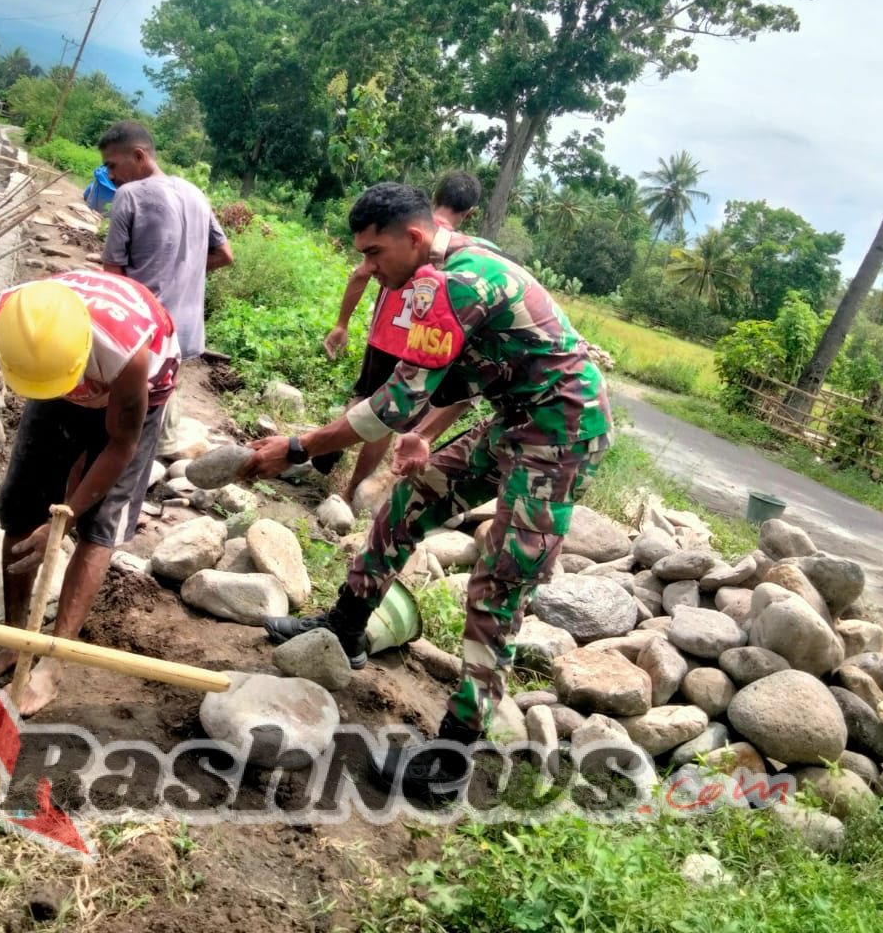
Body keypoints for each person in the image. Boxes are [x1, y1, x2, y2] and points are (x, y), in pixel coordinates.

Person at [241, 183, 613, 798]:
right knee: (407, 502)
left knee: (499, 586)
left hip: (559, 432)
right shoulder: (447, 262)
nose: (367, 268)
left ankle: (452, 757)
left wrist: (301, 447)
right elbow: (468, 374)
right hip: (517, 417)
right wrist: (422, 435)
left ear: (413, 237)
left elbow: (392, 402)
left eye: (373, 252)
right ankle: (345, 626)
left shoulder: (455, 282)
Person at [0, 270, 180, 716]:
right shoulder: (3, 329)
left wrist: (66, 519)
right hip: (59, 377)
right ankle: (16, 636)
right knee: (22, 509)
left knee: (98, 528)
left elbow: (121, 445)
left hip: (135, 393)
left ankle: (55, 662)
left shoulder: (128, 355)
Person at [318, 171, 483, 502]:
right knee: (387, 417)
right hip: (424, 349)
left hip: (386, 338)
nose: (371, 262)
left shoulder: (403, 232)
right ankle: (350, 491)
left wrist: (342, 323)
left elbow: (358, 275)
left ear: (435, 197)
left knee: (369, 399)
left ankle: (327, 457)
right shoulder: (454, 252)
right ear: (470, 212)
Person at [98, 119, 233, 360]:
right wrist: (180, 270)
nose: (110, 175)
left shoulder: (128, 195)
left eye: (112, 165)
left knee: (119, 397)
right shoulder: (196, 194)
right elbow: (225, 255)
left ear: (139, 156)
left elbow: (112, 276)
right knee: (162, 396)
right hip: (184, 338)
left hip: (143, 335)